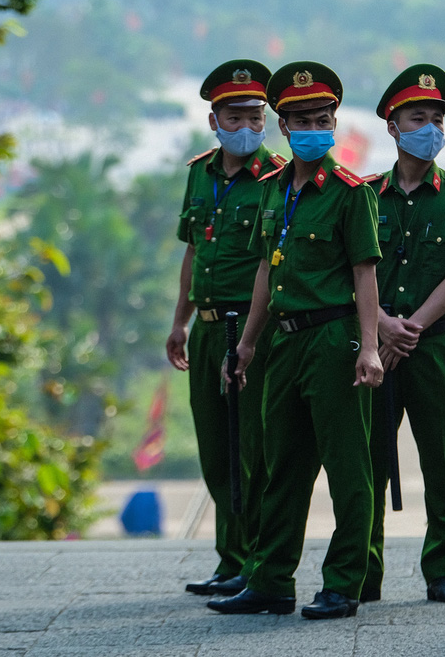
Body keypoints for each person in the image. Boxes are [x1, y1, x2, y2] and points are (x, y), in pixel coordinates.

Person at [207, 61, 383, 620]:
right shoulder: (272, 190)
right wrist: (249, 344)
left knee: (347, 465)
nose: (314, 127)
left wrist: (372, 346)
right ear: (283, 126)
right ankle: (271, 579)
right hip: (283, 343)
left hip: (334, 339)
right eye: (302, 119)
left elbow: (365, 275)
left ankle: (343, 582)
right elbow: (265, 271)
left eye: (323, 117)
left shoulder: (351, 194)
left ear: (334, 121)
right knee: (280, 465)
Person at [362, 65, 445, 605]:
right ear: (393, 127)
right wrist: (381, 328)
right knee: (367, 459)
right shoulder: (364, 195)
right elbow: (350, 270)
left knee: (442, 460)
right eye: (419, 117)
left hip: (433, 343)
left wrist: (409, 328)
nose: (430, 126)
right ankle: (360, 570)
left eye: (437, 117)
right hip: (372, 342)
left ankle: (444, 568)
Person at [166, 59, 283, 597]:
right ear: (213, 121)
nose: (247, 128)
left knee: (252, 450)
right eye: (234, 117)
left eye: (256, 117)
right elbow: (195, 250)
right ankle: (229, 559)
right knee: (216, 450)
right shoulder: (199, 173)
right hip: (208, 326)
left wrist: (252, 341)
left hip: (251, 327)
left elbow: (273, 264)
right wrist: (179, 322)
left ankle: (258, 563)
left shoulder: (280, 179)